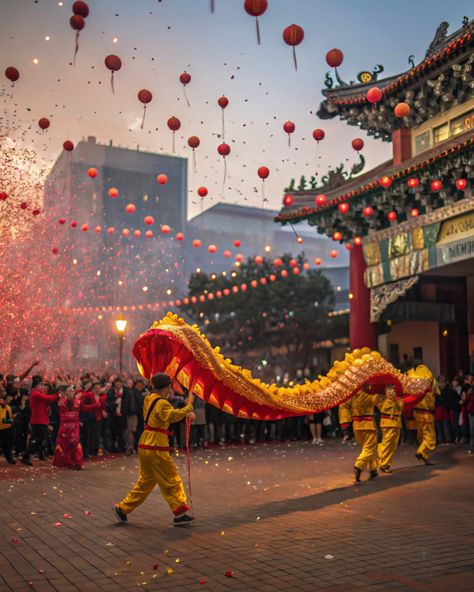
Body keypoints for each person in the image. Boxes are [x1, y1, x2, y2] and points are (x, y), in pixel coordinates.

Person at [113, 373, 195, 527]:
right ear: (166, 386)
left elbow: (165, 415)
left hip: (145, 443)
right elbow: (171, 416)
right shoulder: (162, 403)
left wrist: (185, 410)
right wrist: (189, 407)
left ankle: (123, 508)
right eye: (170, 385)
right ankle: (180, 513)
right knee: (171, 479)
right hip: (156, 445)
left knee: (145, 482)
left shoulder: (149, 398)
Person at [53, 385, 98, 469]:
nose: (72, 393)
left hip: (74, 427)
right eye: (70, 391)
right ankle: (63, 463)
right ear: (66, 393)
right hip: (64, 427)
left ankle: (76, 463)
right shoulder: (61, 401)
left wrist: (96, 405)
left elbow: (84, 409)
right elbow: (56, 411)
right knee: (63, 444)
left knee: (75, 444)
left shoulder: (78, 402)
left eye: (73, 391)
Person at [22, 377, 59, 466]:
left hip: (41, 420)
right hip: (38, 421)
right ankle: (26, 456)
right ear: (35, 385)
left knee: (38, 440)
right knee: (36, 440)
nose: (42, 386)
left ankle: (31, 455)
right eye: (41, 384)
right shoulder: (35, 394)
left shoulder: (38, 393)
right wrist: (58, 394)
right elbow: (49, 398)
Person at [410, 365, 437, 466]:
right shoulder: (428, 390)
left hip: (417, 415)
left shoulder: (415, 389)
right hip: (426, 415)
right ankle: (421, 452)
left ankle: (425, 458)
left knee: (421, 438)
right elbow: (437, 393)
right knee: (430, 438)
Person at [350, 389, 378, 482]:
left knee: (367, 447)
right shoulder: (370, 393)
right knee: (369, 448)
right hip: (368, 424)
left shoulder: (352, 392)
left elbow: (344, 407)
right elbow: (379, 403)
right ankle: (359, 466)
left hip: (357, 425)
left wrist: (344, 424)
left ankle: (373, 469)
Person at [376, 386, 403, 473]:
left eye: (393, 390)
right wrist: (389, 399)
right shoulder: (383, 400)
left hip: (396, 423)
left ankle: (385, 463)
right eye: (389, 391)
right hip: (387, 423)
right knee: (387, 443)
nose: (392, 392)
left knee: (392, 446)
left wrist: (395, 399)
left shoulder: (398, 400)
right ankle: (383, 463)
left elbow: (401, 407)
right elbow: (382, 408)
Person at [0, 386, 16, 464]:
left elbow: (8, 419)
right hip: (1, 428)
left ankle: (9, 457)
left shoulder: (8, 407)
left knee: (7, 444)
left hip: (7, 428)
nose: (10, 399)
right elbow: (2, 419)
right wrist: (11, 420)